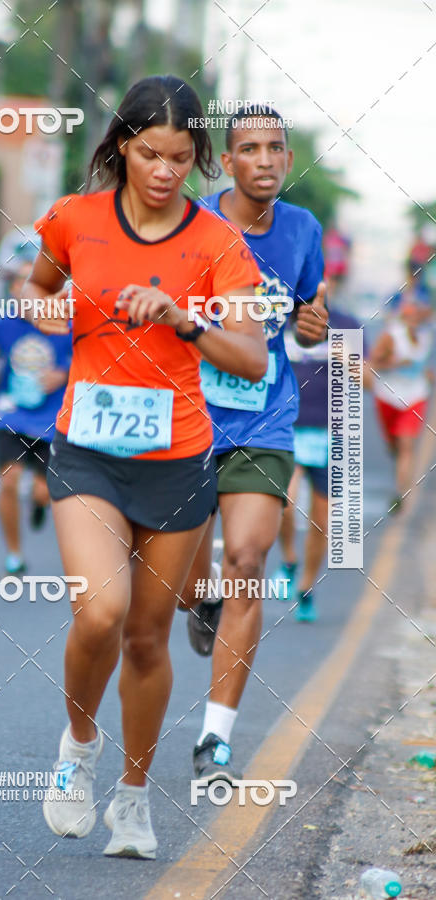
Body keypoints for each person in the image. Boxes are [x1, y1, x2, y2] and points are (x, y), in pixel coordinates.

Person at [25, 75, 267, 859]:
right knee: (99, 613)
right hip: (88, 449)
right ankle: (78, 750)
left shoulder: (217, 244)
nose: (164, 170)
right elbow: (36, 290)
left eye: (181, 157)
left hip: (178, 460)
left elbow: (253, 358)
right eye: (149, 153)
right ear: (122, 147)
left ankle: (133, 796)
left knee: (146, 640)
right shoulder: (73, 219)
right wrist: (53, 312)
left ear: (198, 158)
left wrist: (184, 320)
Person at [182, 106, 328, 784]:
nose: (264, 160)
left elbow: (304, 324)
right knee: (179, 583)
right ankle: (199, 599)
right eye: (250, 149)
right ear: (228, 162)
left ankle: (215, 739)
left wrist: (313, 328)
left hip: (264, 419)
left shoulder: (303, 230)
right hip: (186, 419)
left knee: (247, 556)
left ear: (288, 161)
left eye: (275, 148)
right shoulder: (193, 226)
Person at [0, 261, 72, 574]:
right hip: (11, 417)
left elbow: (89, 364)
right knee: (9, 482)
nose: (25, 289)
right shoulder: (4, 325)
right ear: (15, 290)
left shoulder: (64, 324)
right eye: (19, 283)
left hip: (52, 422)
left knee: (43, 491)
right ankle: (14, 554)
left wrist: (64, 374)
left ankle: (40, 503)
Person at [271, 305, 367, 621]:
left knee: (322, 521)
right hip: (289, 429)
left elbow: (368, 379)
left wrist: (345, 356)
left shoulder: (345, 322)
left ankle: (306, 588)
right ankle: (288, 559)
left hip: (332, 434)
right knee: (285, 500)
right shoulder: (280, 319)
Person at [371, 295, 433, 512]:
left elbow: (423, 366)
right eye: (411, 316)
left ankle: (400, 494)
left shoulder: (427, 337)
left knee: (406, 445)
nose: (416, 320)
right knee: (394, 445)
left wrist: (428, 375)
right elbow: (373, 364)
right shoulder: (391, 336)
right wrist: (396, 362)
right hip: (387, 396)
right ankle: (398, 461)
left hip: (415, 396)